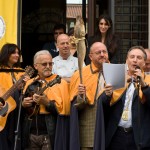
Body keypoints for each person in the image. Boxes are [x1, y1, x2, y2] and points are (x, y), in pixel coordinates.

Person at [95, 46, 150, 150]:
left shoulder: (148, 80)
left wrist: (144, 86)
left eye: (139, 58)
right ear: (126, 60)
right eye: (132, 57)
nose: (135, 60)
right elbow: (102, 104)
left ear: (144, 62)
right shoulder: (117, 77)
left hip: (138, 137)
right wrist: (107, 95)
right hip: (117, 135)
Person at [21, 50, 70, 150]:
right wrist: (23, 104)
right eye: (44, 64)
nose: (48, 66)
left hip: (50, 133)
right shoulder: (29, 83)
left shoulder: (60, 82)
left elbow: (64, 111)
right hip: (30, 134)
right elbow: (21, 112)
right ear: (36, 66)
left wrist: (47, 102)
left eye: (50, 63)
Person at [69, 42, 109, 150]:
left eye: (104, 51)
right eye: (98, 52)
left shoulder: (115, 71)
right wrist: (81, 96)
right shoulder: (80, 74)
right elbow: (75, 106)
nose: (102, 54)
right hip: (89, 130)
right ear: (90, 56)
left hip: (110, 128)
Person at [0, 43, 30, 150]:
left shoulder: (20, 72)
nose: (17, 55)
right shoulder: (0, 71)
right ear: (6, 54)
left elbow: (24, 92)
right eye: (13, 52)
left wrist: (24, 85)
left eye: (18, 53)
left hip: (16, 111)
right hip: (3, 111)